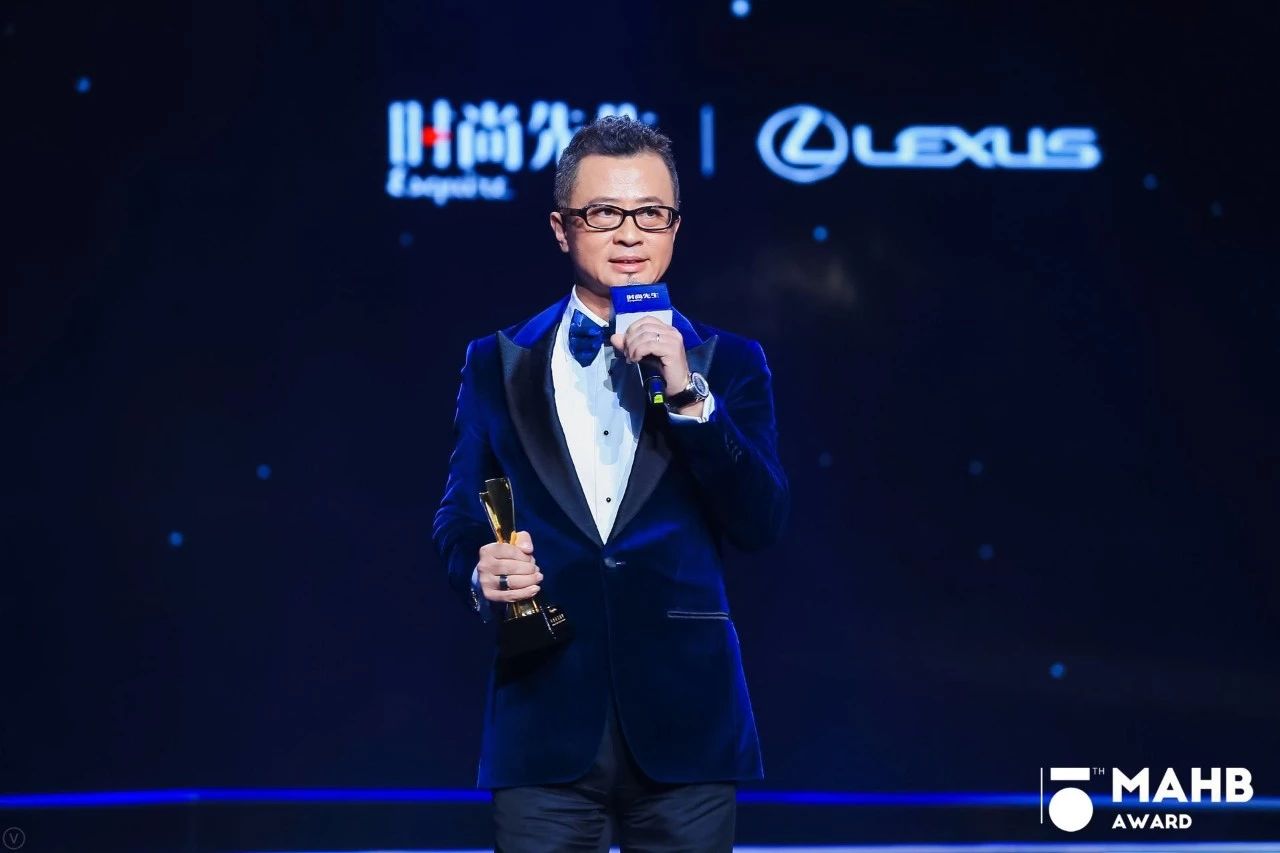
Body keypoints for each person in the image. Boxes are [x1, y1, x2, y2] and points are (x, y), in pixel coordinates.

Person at [433, 115, 789, 851]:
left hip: (688, 724)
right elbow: (459, 514)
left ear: (675, 227)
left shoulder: (729, 363)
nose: (630, 234)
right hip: (542, 717)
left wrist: (689, 397)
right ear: (562, 228)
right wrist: (479, 568)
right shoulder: (496, 361)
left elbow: (761, 521)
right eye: (603, 213)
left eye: (651, 213)